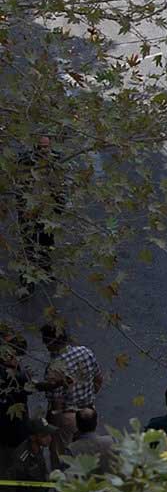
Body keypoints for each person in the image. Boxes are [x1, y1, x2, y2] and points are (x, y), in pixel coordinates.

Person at [16, 135, 66, 293]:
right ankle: (26, 282)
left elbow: (60, 184)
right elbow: (19, 186)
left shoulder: (56, 159)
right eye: (41, 146)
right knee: (29, 245)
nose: (45, 149)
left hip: (48, 209)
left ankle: (45, 268)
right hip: (29, 210)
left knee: (47, 241)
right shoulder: (25, 161)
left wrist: (59, 204)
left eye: (47, 146)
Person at [37, 324, 102, 447]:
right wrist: (88, 397)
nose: (45, 345)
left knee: (63, 456)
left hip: (68, 418)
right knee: (88, 450)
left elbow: (56, 404)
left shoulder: (54, 368)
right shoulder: (85, 351)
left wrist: (51, 427)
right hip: (89, 413)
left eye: (45, 341)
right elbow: (98, 379)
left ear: (51, 343)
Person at [67, 407, 115, 474]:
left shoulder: (72, 449)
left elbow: (67, 473)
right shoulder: (109, 442)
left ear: (77, 424)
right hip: (108, 482)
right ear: (96, 423)